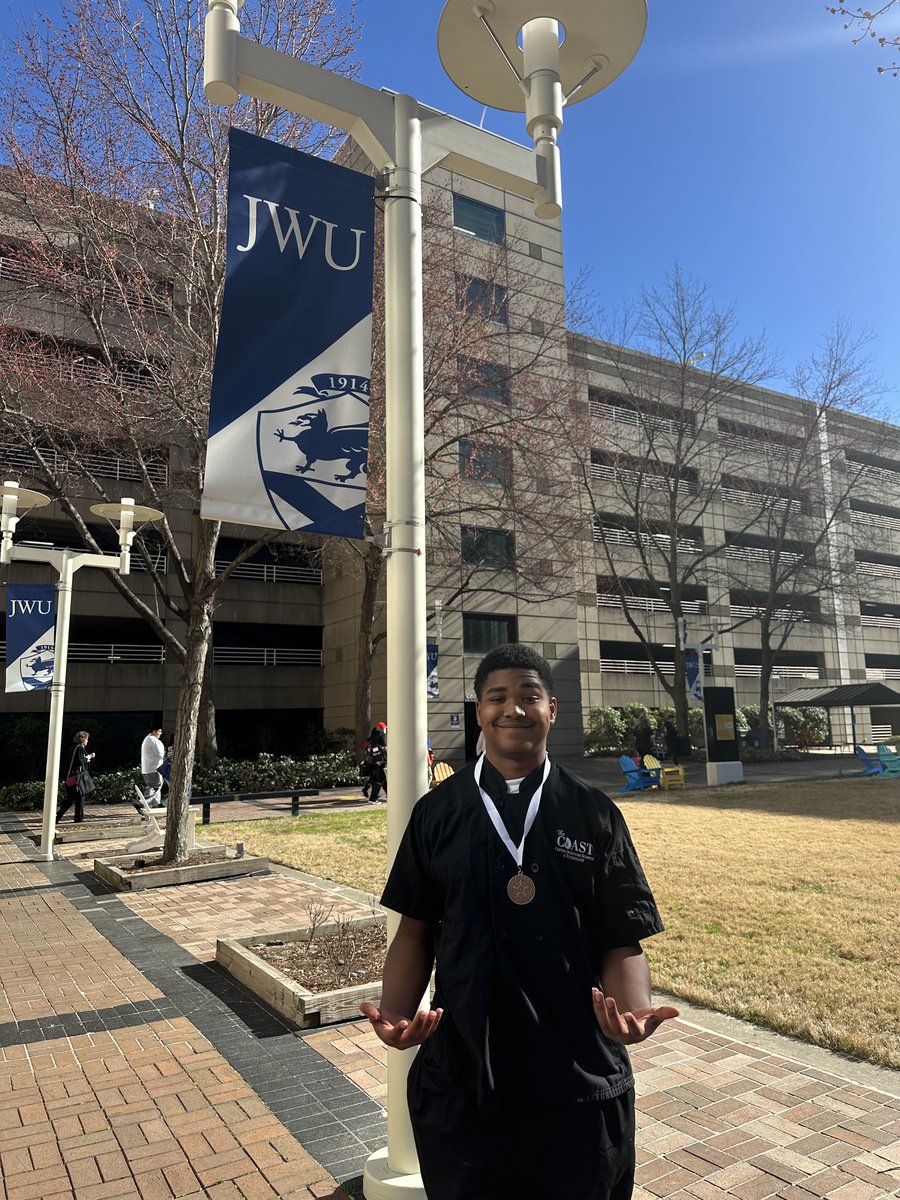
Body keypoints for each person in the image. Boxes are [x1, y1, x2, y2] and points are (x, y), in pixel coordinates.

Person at [360, 643, 678, 1200]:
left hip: (576, 1075)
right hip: (465, 1078)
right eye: (497, 697)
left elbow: (621, 936)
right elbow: (416, 929)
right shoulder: (437, 812)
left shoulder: (593, 813)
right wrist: (395, 1012)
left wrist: (628, 1015)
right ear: (479, 711)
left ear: (552, 709)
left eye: (529, 696)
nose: (514, 709)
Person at [57, 730, 96, 823]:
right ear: (82, 739)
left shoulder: (73, 748)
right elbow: (80, 761)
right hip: (76, 778)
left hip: (70, 778)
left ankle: (57, 817)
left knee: (70, 799)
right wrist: (90, 756)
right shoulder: (79, 748)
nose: (87, 741)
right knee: (80, 797)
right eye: (86, 739)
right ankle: (78, 819)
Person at [140, 726, 166, 808]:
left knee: (152, 787)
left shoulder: (147, 739)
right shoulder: (154, 740)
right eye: (159, 731)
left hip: (147, 769)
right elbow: (161, 754)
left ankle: (155, 806)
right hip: (154, 768)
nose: (161, 733)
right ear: (154, 731)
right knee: (155, 787)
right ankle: (142, 803)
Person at [364, 721, 388, 803]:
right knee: (380, 780)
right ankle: (373, 799)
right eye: (384, 728)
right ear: (382, 729)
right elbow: (386, 748)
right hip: (383, 761)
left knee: (383, 780)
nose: (385, 729)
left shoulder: (373, 739)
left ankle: (390, 796)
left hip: (376, 761)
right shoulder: (383, 736)